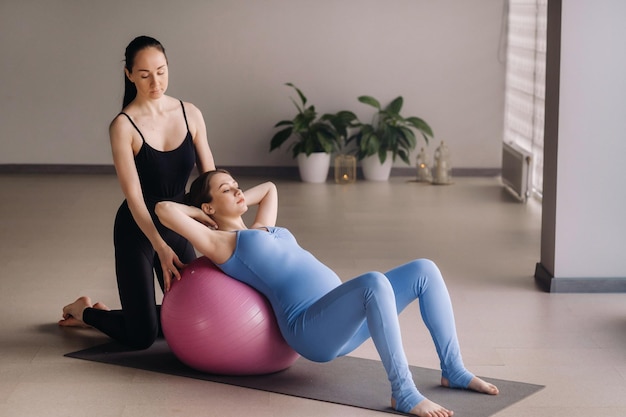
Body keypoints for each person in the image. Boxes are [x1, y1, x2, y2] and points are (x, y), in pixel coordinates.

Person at [152, 169, 498, 417]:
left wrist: (230, 196)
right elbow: (164, 210)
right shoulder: (221, 243)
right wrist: (200, 214)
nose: (239, 191)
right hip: (310, 330)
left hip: (344, 318)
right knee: (374, 281)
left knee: (425, 269)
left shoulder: (263, 227)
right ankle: (403, 393)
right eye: (227, 189)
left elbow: (271, 187)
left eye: (237, 185)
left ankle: (452, 368)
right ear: (210, 207)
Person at [59, 36, 216, 350]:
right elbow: (133, 195)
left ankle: (130, 314)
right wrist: (159, 245)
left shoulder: (190, 113)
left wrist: (220, 229)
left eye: (160, 71)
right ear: (130, 75)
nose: (155, 81)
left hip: (179, 226)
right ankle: (84, 311)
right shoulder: (123, 126)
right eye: (144, 74)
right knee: (142, 336)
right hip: (139, 231)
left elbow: (209, 181)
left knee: (196, 317)